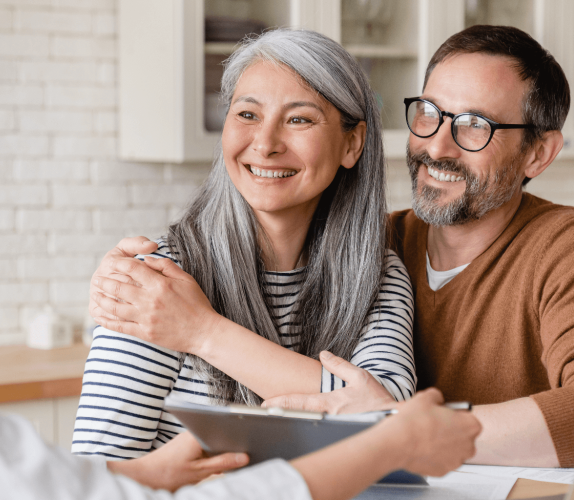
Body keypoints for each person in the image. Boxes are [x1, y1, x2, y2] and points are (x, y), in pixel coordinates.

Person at [0, 1, 481, 499]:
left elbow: (69, 486)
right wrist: (390, 441)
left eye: (299, 118)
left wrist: (146, 473)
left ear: (353, 141)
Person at [90, 25, 574, 469]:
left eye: (475, 125)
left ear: (538, 154)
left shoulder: (381, 264)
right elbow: (95, 470)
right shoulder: (382, 245)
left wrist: (400, 426)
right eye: (430, 115)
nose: (439, 146)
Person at [74, 29, 416, 459]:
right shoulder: (159, 283)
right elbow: (96, 475)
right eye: (248, 115)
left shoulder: (377, 273)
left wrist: (202, 332)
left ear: (352, 143)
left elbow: (389, 417)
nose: (266, 144)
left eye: (299, 119)